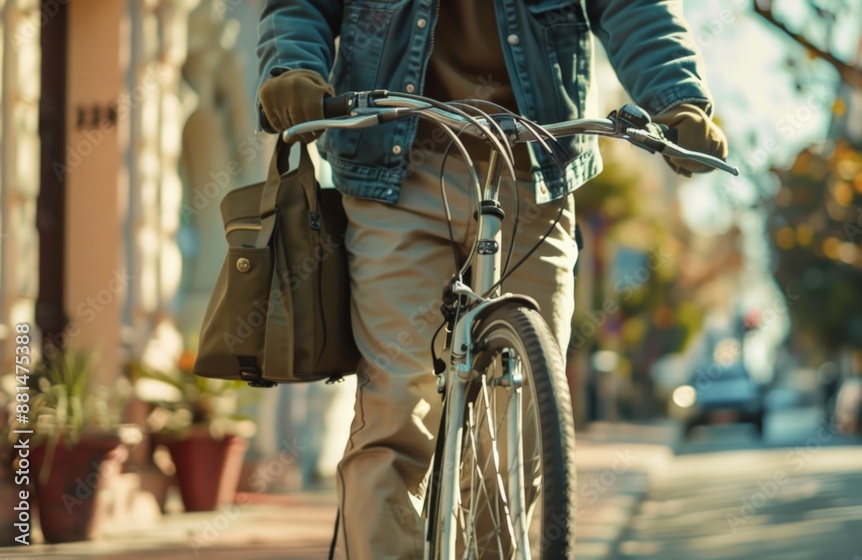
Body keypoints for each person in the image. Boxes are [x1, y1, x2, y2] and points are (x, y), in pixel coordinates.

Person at [256, 2, 728, 557]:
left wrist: (678, 100)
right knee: (397, 406)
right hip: (396, 170)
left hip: (535, 174)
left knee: (521, 426)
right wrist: (291, 69)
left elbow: (633, 8)